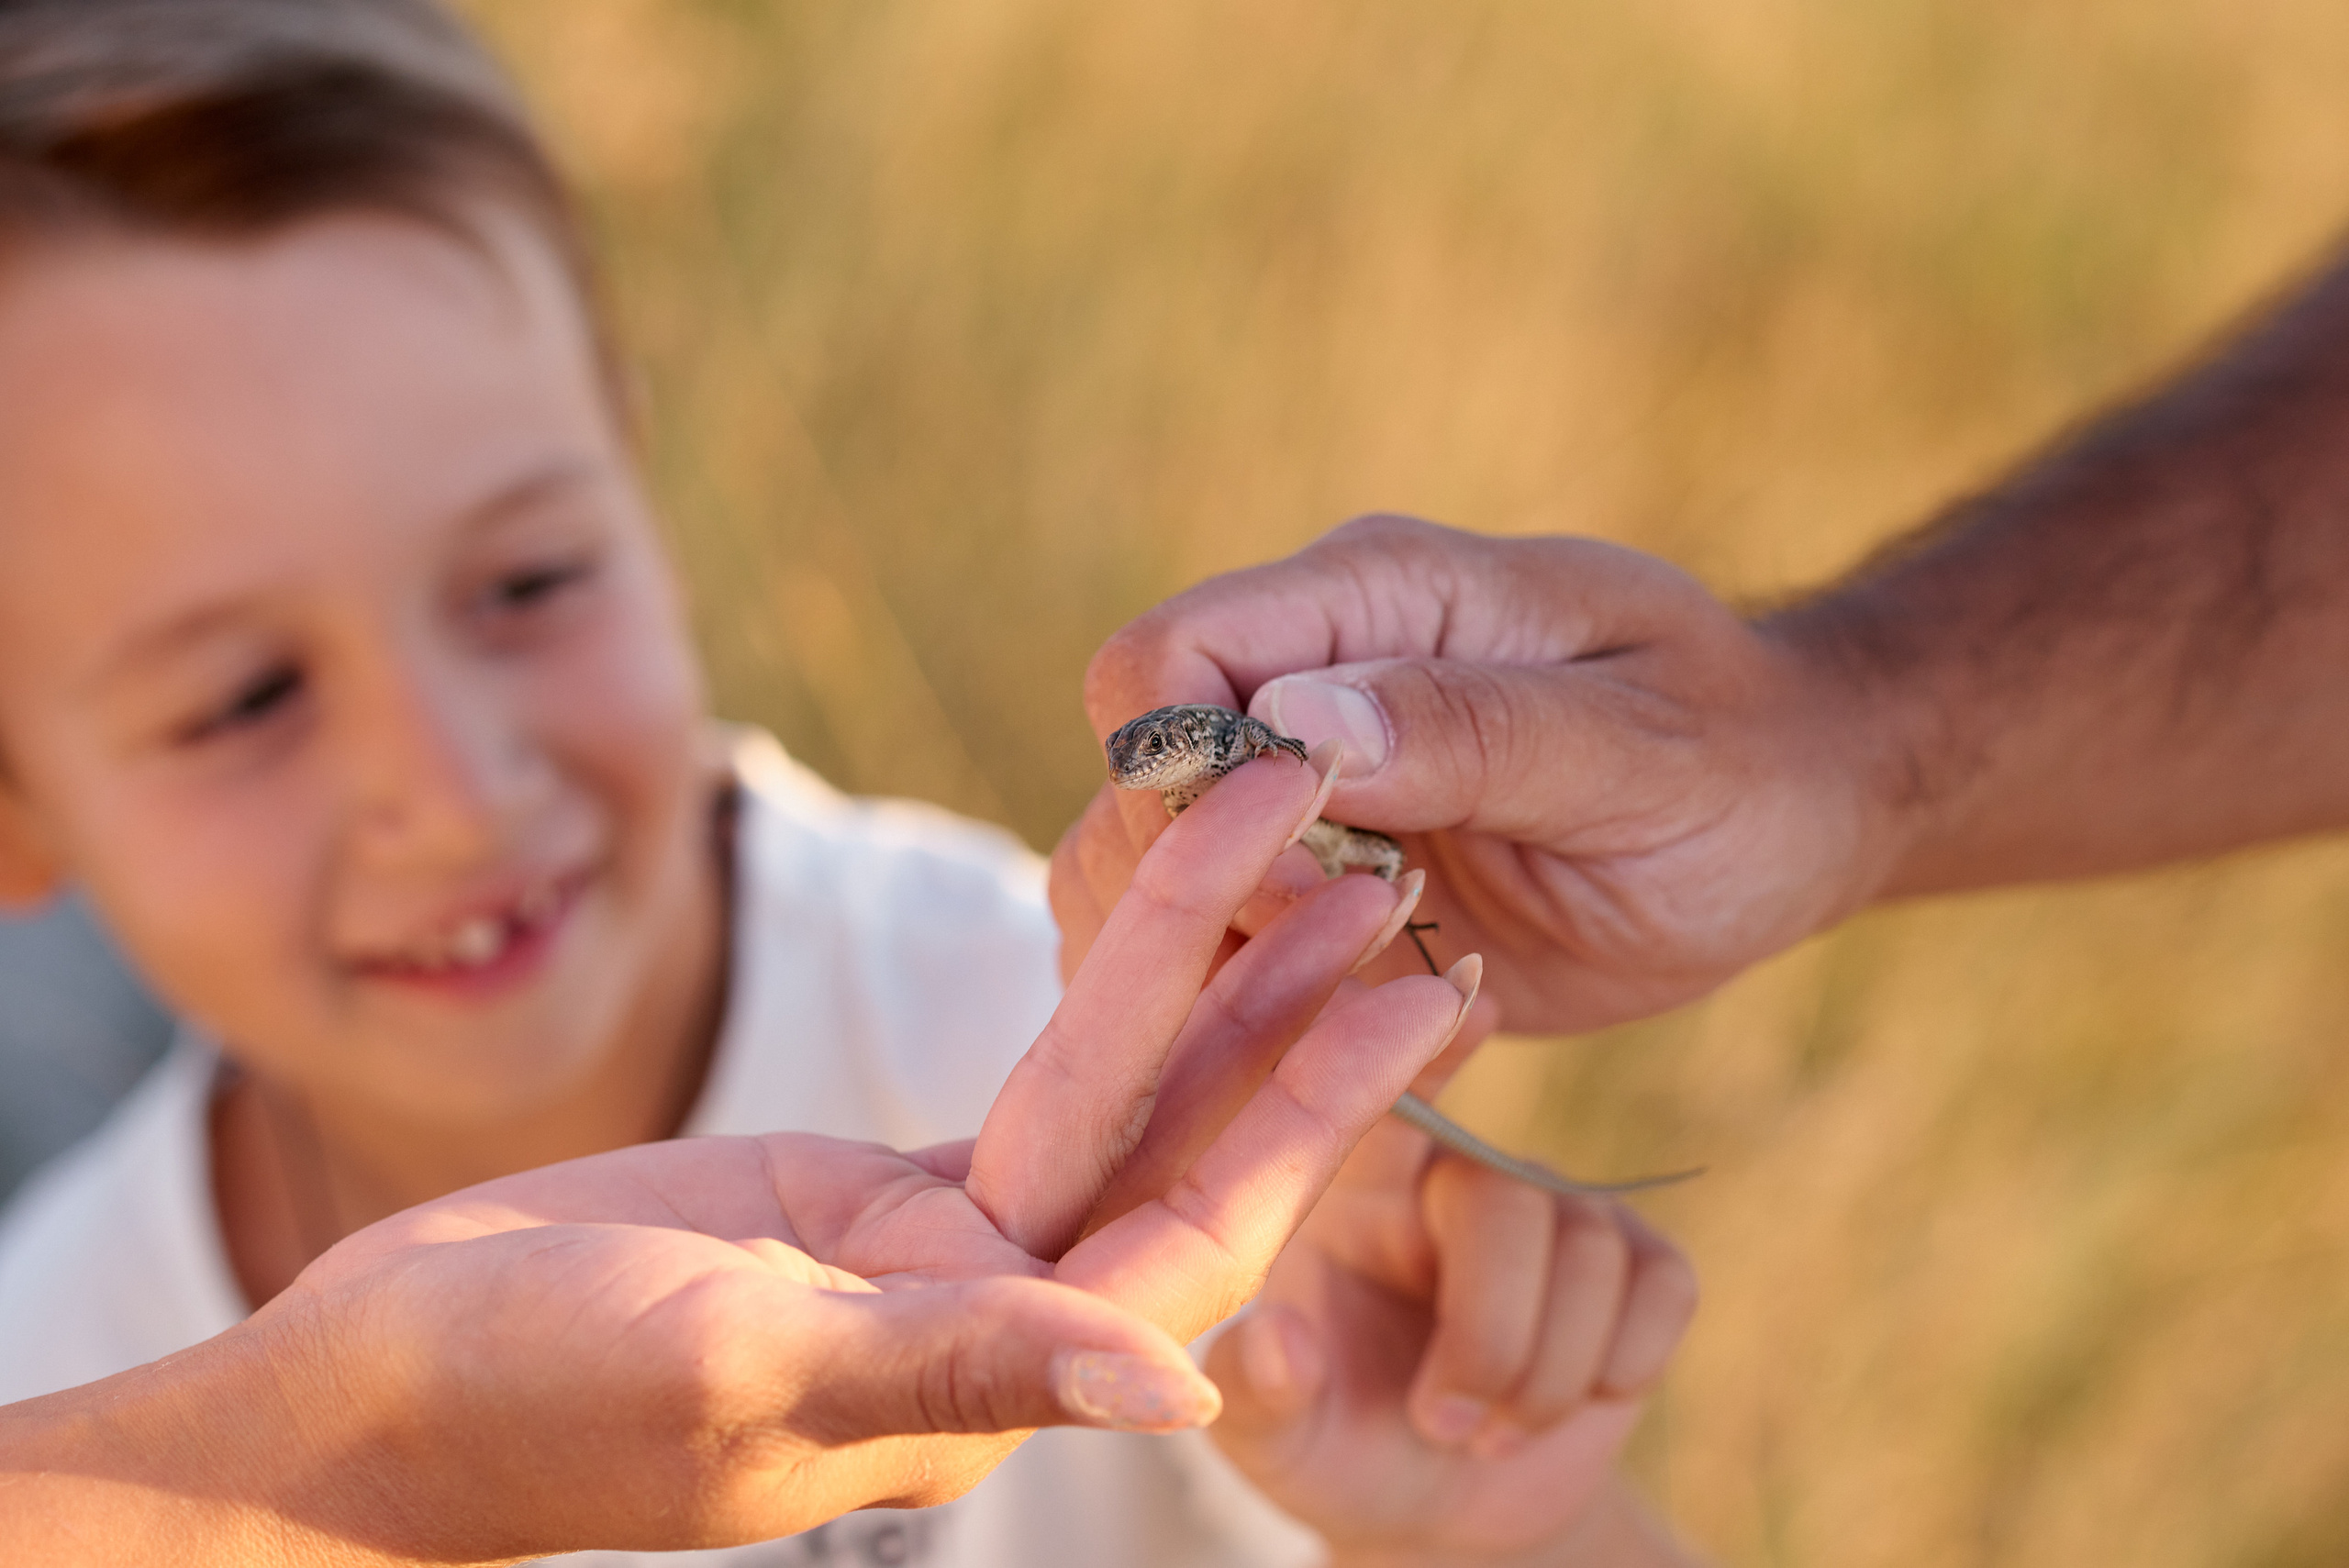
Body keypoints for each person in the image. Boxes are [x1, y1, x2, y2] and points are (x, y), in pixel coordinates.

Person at [0, 1, 1700, 1562]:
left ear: (641, 483)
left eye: (525, 583)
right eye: (242, 699)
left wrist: (1488, 1520)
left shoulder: (1065, 1031)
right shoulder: (72, 1370)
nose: (448, 787)